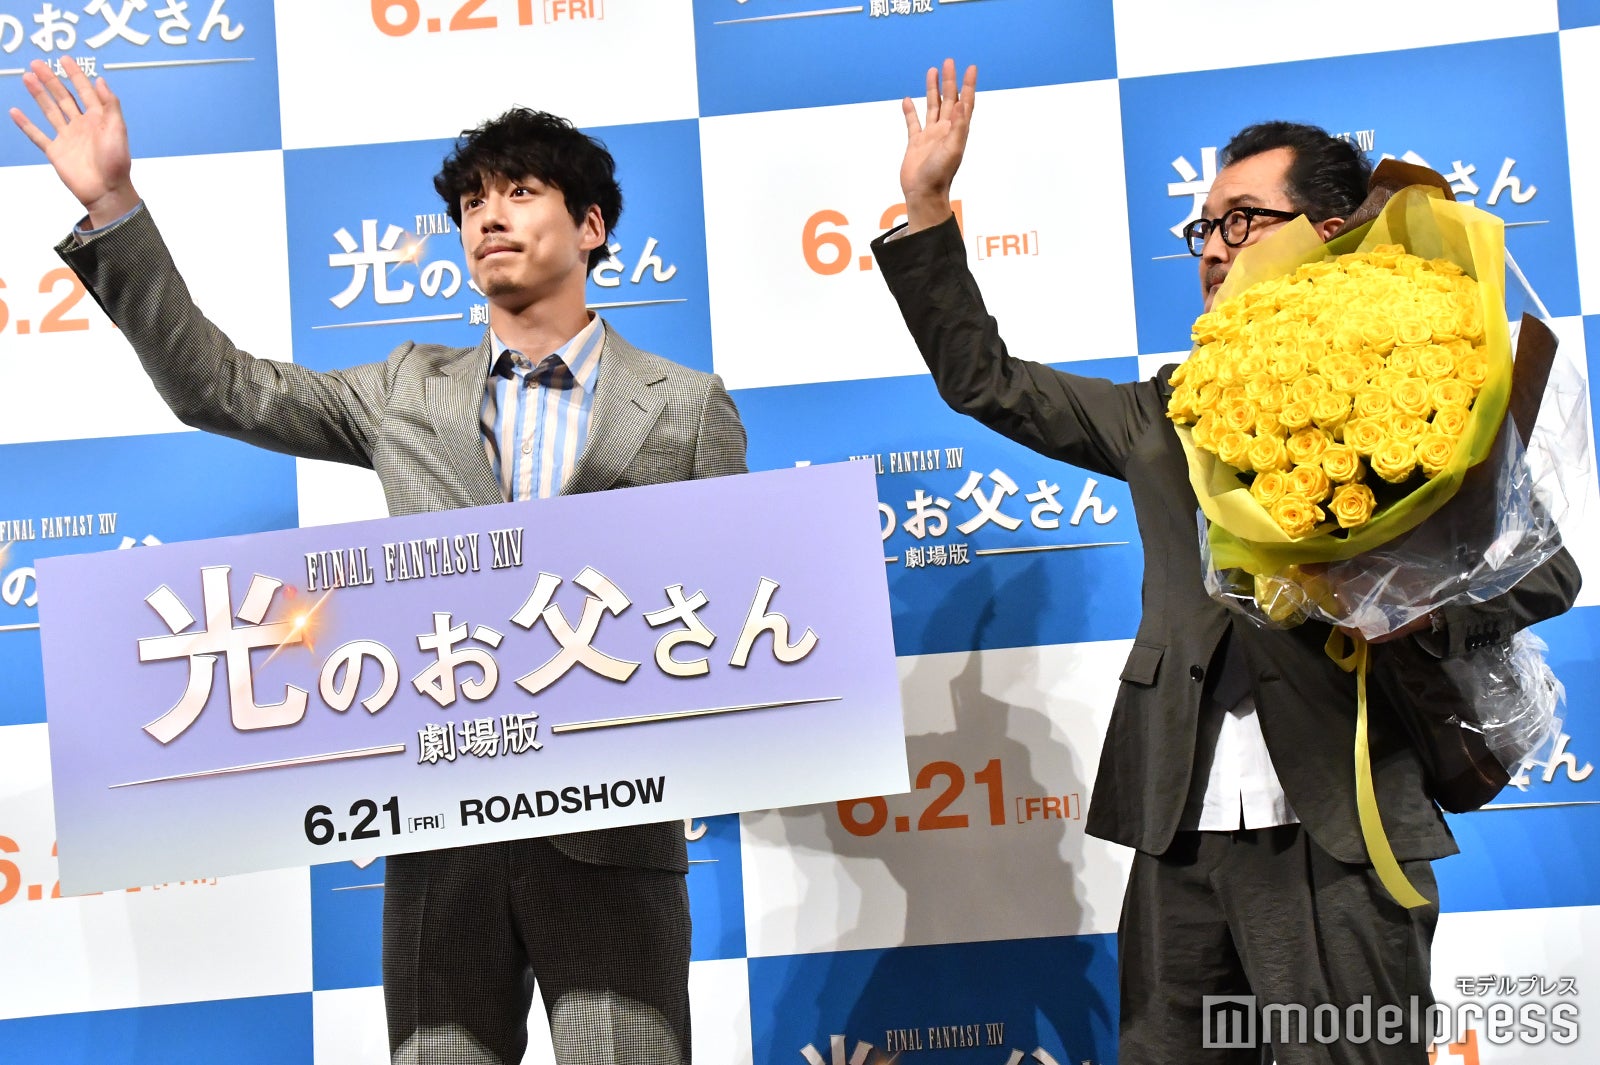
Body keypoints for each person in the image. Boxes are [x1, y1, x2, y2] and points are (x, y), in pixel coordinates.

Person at [11, 57, 745, 1065]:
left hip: (614, 837)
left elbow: (737, 611)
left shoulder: (687, 405)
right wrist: (113, 206)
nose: (488, 217)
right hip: (443, 832)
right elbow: (220, 388)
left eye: (520, 192)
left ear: (591, 226)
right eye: (472, 203)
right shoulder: (407, 387)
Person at [871, 60, 1581, 1064]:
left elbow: (1546, 572)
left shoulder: (1422, 394)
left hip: (1340, 813)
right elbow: (984, 381)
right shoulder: (1166, 411)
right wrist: (928, 207)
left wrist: (1409, 610)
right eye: (1203, 227)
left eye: (1241, 220)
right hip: (1179, 816)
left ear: (1327, 232)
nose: (1212, 247)